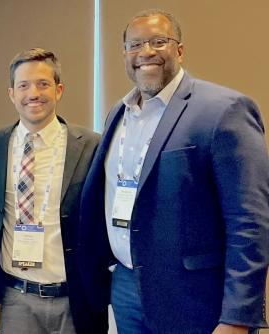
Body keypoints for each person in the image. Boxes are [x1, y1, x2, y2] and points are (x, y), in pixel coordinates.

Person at [78, 9, 269, 334]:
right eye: (135, 45)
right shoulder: (118, 113)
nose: (146, 52)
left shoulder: (224, 110)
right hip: (126, 284)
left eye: (158, 41)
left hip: (194, 297)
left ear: (179, 50)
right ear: (124, 54)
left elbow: (249, 223)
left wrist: (237, 317)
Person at [0, 48, 107, 334]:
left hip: (75, 299)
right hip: (17, 299)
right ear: (12, 93)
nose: (33, 93)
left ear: (59, 90)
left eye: (43, 84)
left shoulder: (89, 145)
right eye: (23, 85)